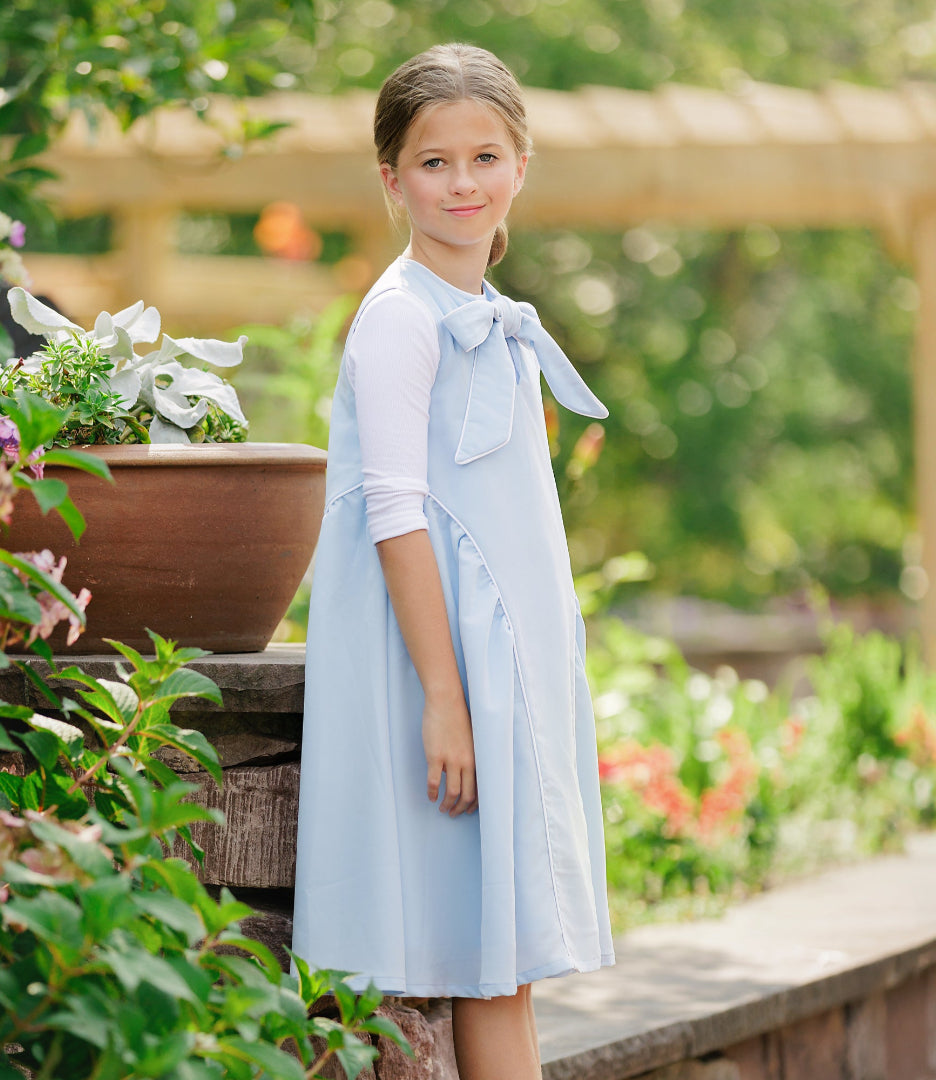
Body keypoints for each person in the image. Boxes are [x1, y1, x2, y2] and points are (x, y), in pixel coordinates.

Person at [292, 43, 615, 1079]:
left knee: (503, 961)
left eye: (485, 155)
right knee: (485, 961)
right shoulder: (400, 321)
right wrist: (445, 696)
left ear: (521, 162)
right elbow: (394, 515)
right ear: (391, 179)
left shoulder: (492, 319)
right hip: (448, 677)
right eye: (434, 163)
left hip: (502, 674)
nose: (463, 182)